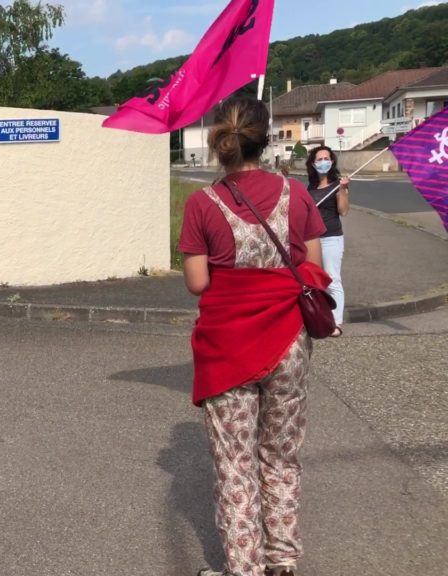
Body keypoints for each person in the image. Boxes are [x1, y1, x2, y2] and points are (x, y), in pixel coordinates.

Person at [177, 97, 330, 576]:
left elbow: (198, 283)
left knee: (235, 465)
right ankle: (282, 560)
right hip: (288, 340)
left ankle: (244, 568)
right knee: (281, 455)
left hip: (228, 348)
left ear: (219, 144)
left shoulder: (201, 205)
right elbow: (317, 269)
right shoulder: (297, 195)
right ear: (265, 142)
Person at [305, 145, 350, 336]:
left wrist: (343, 189)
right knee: (313, 279)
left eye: (326, 158)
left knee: (332, 279)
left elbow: (344, 211)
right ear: (313, 164)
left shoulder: (337, 185)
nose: (323, 162)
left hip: (331, 237)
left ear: (331, 162)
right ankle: (320, 317)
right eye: (319, 159)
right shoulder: (311, 187)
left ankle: (337, 322)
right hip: (312, 239)